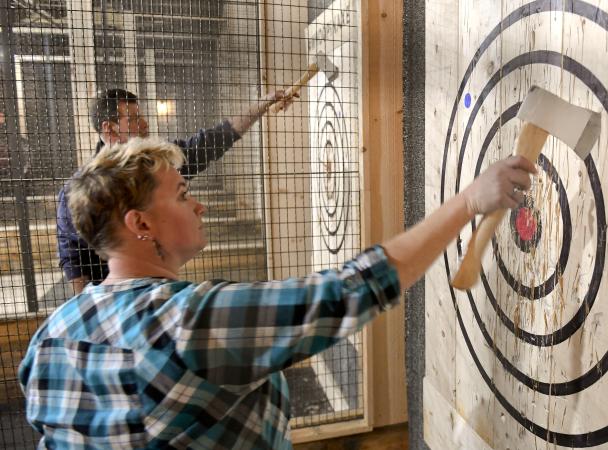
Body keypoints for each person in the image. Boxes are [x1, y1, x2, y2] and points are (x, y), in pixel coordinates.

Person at [19, 137, 536, 449]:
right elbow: (350, 291)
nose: (198, 206)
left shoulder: (48, 338)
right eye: (180, 195)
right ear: (140, 224)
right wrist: (470, 200)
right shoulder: (186, 322)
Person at [56, 88, 295, 294]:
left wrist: (261, 105)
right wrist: (86, 307)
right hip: (113, 295)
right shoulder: (81, 190)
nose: (144, 124)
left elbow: (209, 143)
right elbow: (73, 256)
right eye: (134, 118)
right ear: (109, 129)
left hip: (157, 287)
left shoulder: (155, 163)